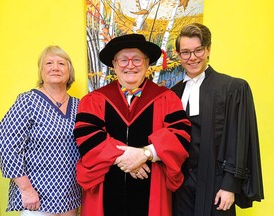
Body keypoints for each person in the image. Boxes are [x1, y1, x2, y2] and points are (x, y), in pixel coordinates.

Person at [74, 34, 191, 216]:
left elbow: (180, 136)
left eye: (137, 59)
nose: (130, 65)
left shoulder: (167, 98)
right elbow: (87, 138)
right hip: (105, 190)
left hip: (153, 190)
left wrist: (145, 154)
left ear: (146, 63)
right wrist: (129, 159)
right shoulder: (94, 100)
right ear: (114, 64)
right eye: (123, 60)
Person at [171, 23, 264, 216]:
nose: (192, 57)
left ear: (208, 50)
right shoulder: (173, 93)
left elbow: (237, 140)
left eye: (198, 50)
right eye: (186, 52)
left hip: (216, 184)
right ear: (178, 55)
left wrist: (230, 186)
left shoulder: (232, 88)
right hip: (181, 187)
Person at [0, 45, 82, 216]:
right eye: (49, 63)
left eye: (61, 63)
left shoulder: (79, 105)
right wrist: (26, 189)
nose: (55, 68)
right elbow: (7, 145)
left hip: (70, 194)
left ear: (69, 71)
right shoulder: (27, 101)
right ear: (41, 71)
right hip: (36, 195)